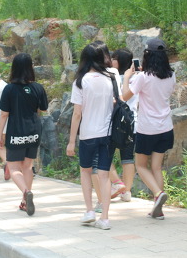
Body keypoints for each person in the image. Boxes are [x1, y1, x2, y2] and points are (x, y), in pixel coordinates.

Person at [122, 38, 175, 220]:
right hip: (165, 127)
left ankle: (158, 194)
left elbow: (125, 96)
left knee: (140, 166)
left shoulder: (143, 77)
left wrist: (127, 78)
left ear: (147, 55)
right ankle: (158, 209)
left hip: (147, 129)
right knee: (157, 167)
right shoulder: (171, 75)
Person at [67, 43, 115, 230]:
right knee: (104, 175)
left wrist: (72, 141)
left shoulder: (80, 82)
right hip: (108, 134)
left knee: (86, 171)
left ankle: (89, 211)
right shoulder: (110, 78)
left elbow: (77, 114)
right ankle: (105, 218)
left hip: (88, 134)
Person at [0, 53, 48, 216]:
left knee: (13, 168)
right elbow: (43, 108)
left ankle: (26, 192)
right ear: (30, 67)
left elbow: (4, 114)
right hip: (34, 131)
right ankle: (25, 201)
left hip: (16, 132)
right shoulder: (38, 87)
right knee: (27, 166)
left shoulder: (9, 89)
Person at [110, 48, 136, 202]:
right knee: (127, 157)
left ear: (119, 61)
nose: (111, 60)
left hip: (115, 121)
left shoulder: (113, 78)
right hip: (132, 121)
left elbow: (122, 98)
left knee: (104, 154)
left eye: (114, 58)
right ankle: (126, 192)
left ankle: (118, 184)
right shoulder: (137, 78)